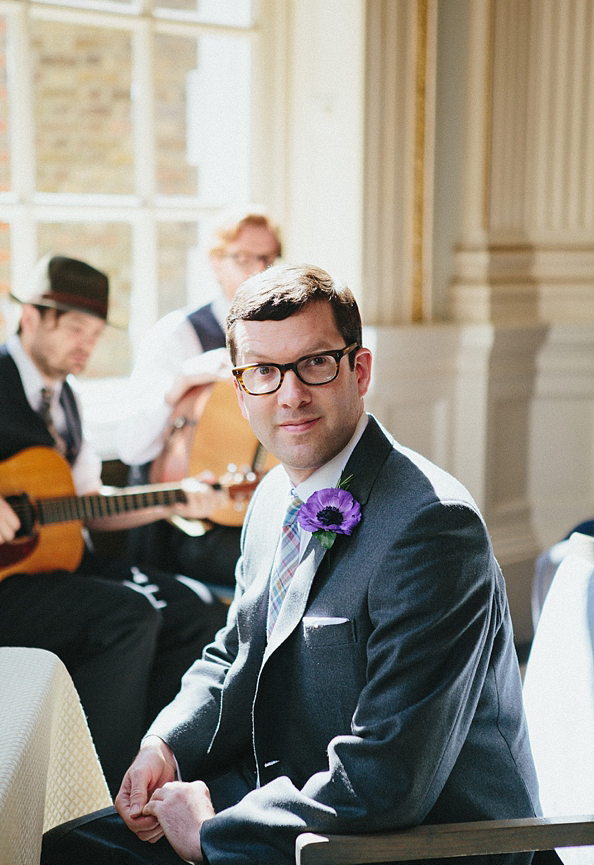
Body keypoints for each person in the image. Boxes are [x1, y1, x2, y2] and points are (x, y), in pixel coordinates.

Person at [42, 263, 540, 865]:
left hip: (415, 842)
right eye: (263, 372)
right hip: (295, 798)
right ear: (239, 388)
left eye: (315, 363)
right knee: (70, 847)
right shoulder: (274, 496)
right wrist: (165, 744)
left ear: (359, 370)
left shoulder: (434, 527)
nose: (291, 393)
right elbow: (233, 652)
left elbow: (389, 780)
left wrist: (211, 834)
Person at [0, 254, 228, 796]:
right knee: (127, 617)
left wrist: (174, 502)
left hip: (53, 568)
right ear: (30, 317)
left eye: (97, 333)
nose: (88, 344)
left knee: (193, 609)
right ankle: (92, 802)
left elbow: (87, 503)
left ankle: (153, 777)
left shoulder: (67, 399)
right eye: (76, 327)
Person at [118, 208, 282, 590]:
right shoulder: (179, 334)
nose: (257, 270)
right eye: (242, 258)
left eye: (268, 259)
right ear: (216, 264)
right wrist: (182, 381)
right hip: (181, 524)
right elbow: (131, 448)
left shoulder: (281, 335)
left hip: (253, 510)